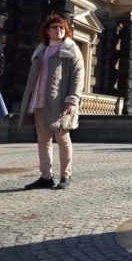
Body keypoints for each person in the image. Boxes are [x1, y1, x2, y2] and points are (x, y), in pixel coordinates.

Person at [19, 15, 84, 190]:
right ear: (47, 31)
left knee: (62, 138)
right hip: (39, 101)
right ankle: (46, 176)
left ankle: (66, 176)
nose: (59, 30)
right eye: (55, 27)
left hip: (61, 102)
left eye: (61, 27)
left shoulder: (71, 50)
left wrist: (72, 99)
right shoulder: (41, 51)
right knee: (43, 140)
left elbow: (78, 77)